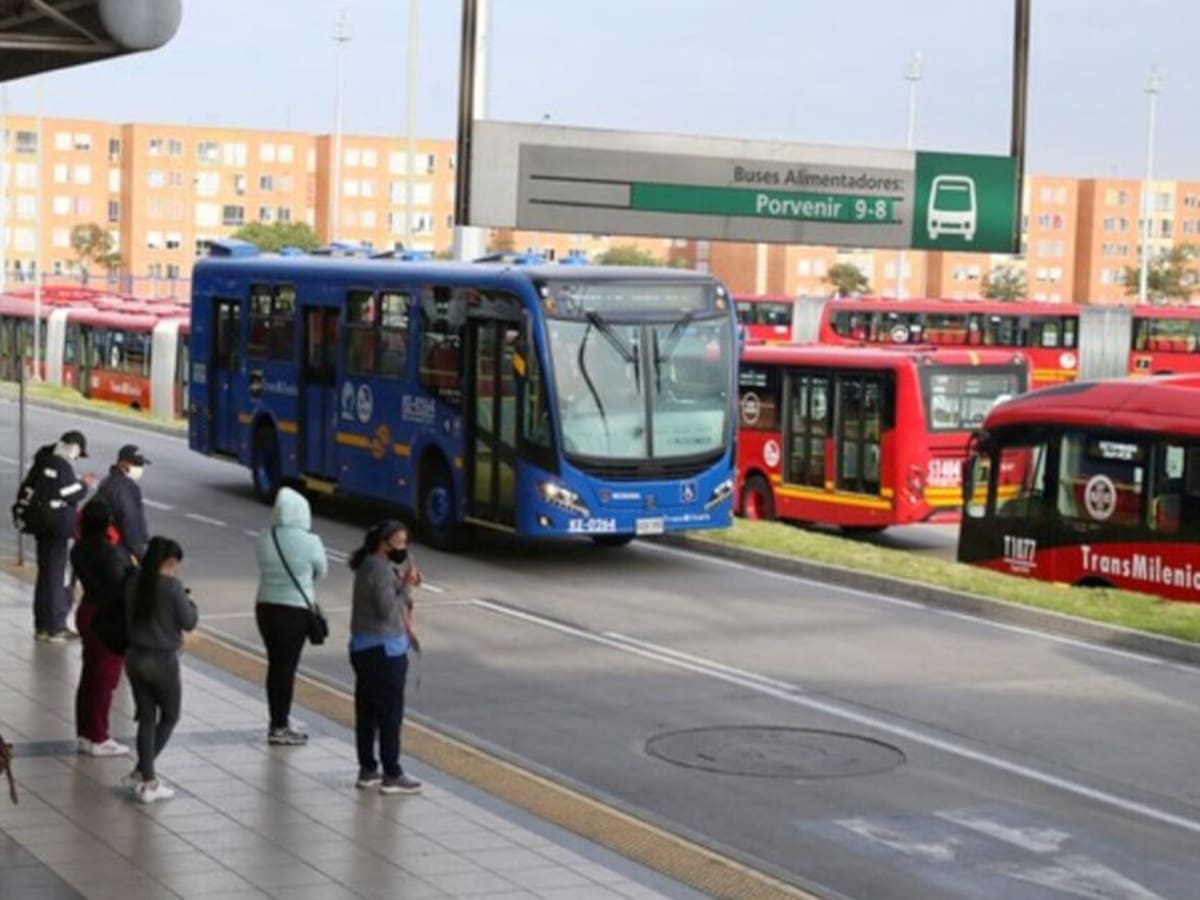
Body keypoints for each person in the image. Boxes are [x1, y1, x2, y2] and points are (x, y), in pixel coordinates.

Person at [348, 520, 422, 795]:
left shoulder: (369, 564)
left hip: (363, 647)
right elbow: (388, 611)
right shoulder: (379, 570)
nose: (403, 549)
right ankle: (392, 772)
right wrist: (405, 586)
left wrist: (401, 583)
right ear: (384, 543)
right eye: (399, 543)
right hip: (383, 650)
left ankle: (368, 768)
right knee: (390, 713)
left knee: (367, 711)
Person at [123, 536, 197, 803]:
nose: (176, 569)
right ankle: (148, 778)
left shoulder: (134, 582)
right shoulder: (172, 587)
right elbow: (188, 622)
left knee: (146, 718)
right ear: (168, 562)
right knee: (169, 716)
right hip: (162, 661)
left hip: (134, 658)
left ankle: (142, 773)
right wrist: (191, 604)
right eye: (175, 564)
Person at [254, 486, 328, 745]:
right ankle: (279, 725)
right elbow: (321, 571)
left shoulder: (265, 537)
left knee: (276, 664)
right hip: (294, 609)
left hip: (265, 607)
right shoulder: (311, 542)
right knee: (286, 668)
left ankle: (278, 718)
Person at [71, 500, 134, 757]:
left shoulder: (79, 548)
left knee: (89, 677)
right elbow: (121, 587)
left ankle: (86, 733)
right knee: (104, 680)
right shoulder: (109, 553)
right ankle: (98, 736)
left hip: (86, 611)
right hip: (106, 618)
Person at [31, 430, 96, 642]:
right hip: (56, 529)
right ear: (74, 448)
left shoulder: (44, 460)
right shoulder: (60, 464)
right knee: (56, 577)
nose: (77, 458)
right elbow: (69, 493)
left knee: (45, 575)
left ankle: (42, 624)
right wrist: (85, 484)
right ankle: (55, 627)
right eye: (78, 454)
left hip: (43, 525)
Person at [94, 444, 151, 562]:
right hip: (119, 550)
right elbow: (130, 521)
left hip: (105, 546)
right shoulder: (124, 488)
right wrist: (140, 552)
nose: (139, 468)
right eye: (136, 464)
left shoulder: (110, 481)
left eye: (141, 464)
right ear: (122, 463)